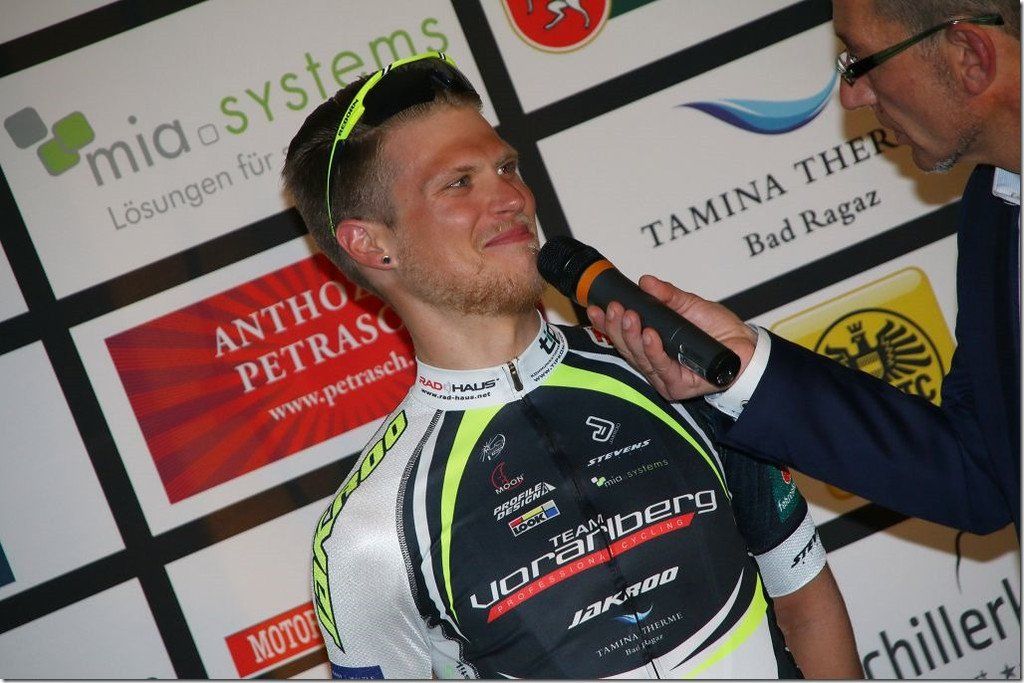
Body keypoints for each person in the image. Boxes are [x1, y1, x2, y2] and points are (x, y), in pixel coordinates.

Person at [283, 52, 862, 679]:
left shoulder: (675, 371)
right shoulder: (368, 534)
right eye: (459, 183)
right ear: (371, 243)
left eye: (506, 167)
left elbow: (805, 603)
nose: (511, 197)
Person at [589, 0, 1020, 536]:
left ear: (969, 56)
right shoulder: (995, 209)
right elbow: (981, 470)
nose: (852, 95)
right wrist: (743, 369)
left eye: (861, 61)